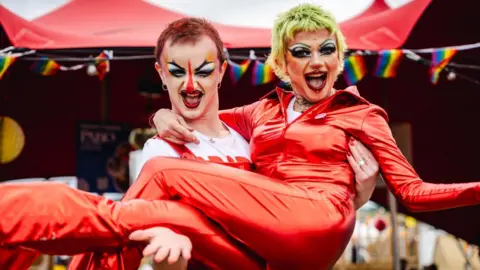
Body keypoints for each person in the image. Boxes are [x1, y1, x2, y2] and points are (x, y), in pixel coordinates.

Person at [0, 17, 380, 270]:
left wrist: (355, 197)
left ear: (220, 70)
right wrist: (164, 243)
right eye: (177, 72)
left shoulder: (255, 136)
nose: (190, 84)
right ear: (161, 75)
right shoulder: (158, 151)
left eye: (201, 70)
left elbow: (296, 215)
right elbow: (148, 238)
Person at [146, 3, 480, 269]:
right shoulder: (260, 112)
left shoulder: (361, 114)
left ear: (339, 57)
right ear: (281, 62)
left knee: (162, 172)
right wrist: (160, 115)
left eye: (326, 49)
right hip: (267, 242)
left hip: (319, 221)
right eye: (302, 52)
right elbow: (199, 112)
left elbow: (412, 191)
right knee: (168, 211)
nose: (316, 61)